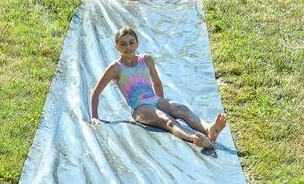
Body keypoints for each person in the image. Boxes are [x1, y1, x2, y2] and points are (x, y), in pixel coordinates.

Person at [89, 27, 228, 149]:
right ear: (116, 47)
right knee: (167, 120)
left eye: (131, 42)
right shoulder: (115, 68)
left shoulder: (146, 59)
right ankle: (195, 139)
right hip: (139, 108)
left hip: (155, 99)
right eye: (123, 44)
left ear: (137, 43)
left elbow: (156, 82)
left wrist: (161, 103)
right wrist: (95, 117)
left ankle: (209, 129)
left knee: (182, 109)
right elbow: (96, 92)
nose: (128, 47)